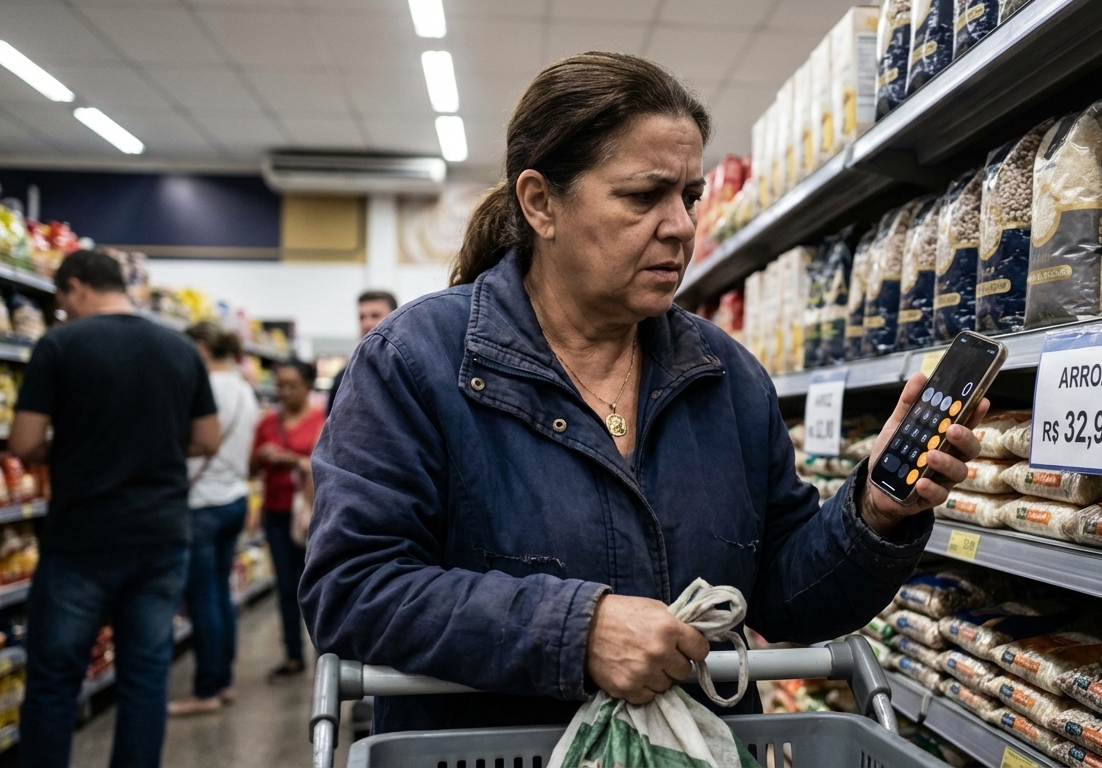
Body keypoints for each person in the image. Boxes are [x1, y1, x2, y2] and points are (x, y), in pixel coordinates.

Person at [302, 53, 985, 734]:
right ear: (540, 203)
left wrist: (874, 513)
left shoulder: (725, 377)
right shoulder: (413, 363)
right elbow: (353, 589)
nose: (682, 225)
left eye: (688, 196)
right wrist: (577, 630)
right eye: (642, 196)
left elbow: (788, 598)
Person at [10, 250, 221, 768]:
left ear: (77, 288)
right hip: (161, 535)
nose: (62, 312)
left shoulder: (59, 344)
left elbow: (24, 441)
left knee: (55, 678)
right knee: (145, 675)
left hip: (82, 536)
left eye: (62, 302)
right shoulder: (180, 348)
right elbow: (207, 438)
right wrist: (155, 447)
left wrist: (69, 448)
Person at [168, 323, 259, 716]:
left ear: (202, 348)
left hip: (202, 501)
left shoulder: (205, 386)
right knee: (221, 593)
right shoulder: (244, 389)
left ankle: (207, 689)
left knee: (203, 597)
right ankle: (224, 680)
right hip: (235, 498)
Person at [252, 359, 323, 681]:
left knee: (317, 584)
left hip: (312, 514)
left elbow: (326, 465)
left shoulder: (321, 421)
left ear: (307, 386)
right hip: (277, 513)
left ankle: (325, 652)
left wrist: (292, 461)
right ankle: (293, 655)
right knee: (285, 586)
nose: (284, 392)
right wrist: (262, 456)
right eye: (279, 385)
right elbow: (250, 467)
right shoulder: (267, 422)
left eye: (291, 385)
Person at [326, 290, 397, 416]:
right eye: (362, 317)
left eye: (375, 316)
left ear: (395, 317)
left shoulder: (406, 369)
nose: (366, 324)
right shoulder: (344, 377)